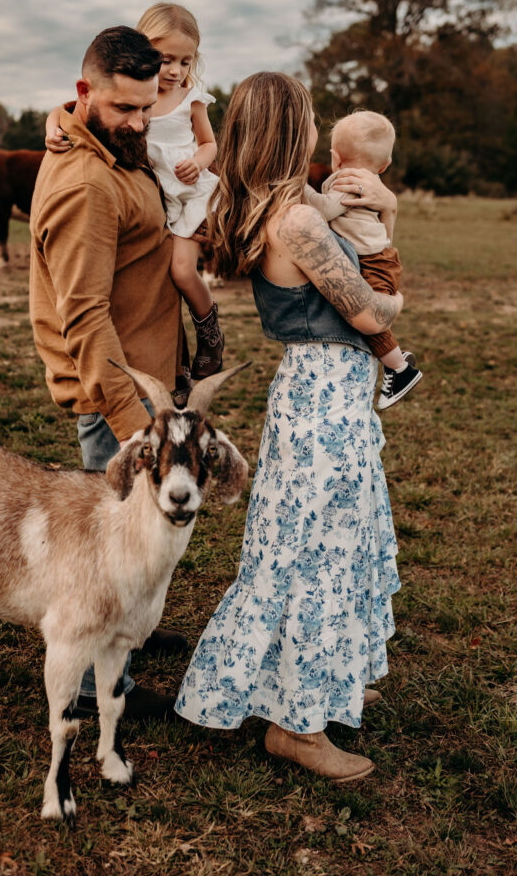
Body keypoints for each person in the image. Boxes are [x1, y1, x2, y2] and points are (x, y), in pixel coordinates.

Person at [175, 73, 403, 782]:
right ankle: (296, 727)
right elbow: (372, 312)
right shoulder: (299, 221)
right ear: (290, 130)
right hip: (323, 399)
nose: (316, 133)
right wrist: (393, 266)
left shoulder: (286, 203)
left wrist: (381, 213)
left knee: (310, 544)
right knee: (318, 556)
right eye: (307, 121)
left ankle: (312, 687)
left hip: (316, 391)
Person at [30, 25, 188, 720]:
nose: (138, 121)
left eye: (146, 107)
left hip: (147, 385)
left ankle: (131, 639)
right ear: (82, 93)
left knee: (137, 546)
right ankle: (103, 693)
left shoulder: (114, 145)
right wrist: (137, 433)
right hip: (115, 403)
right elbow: (84, 319)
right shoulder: (86, 183)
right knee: (109, 556)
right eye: (124, 109)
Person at [47, 2, 223, 380]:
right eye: (164, 59)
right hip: (153, 195)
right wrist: (53, 122)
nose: (175, 71)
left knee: (181, 270)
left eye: (185, 61)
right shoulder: (121, 99)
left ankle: (209, 332)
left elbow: (210, 144)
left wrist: (201, 163)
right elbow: (76, 104)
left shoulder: (190, 98)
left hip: (185, 191)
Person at [304, 111, 422, 409]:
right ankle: (398, 363)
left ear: (335, 157)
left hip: (374, 262)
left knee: (369, 320)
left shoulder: (348, 180)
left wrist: (297, 185)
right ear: (385, 165)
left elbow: (325, 210)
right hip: (379, 257)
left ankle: (400, 368)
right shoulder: (372, 180)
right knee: (365, 316)